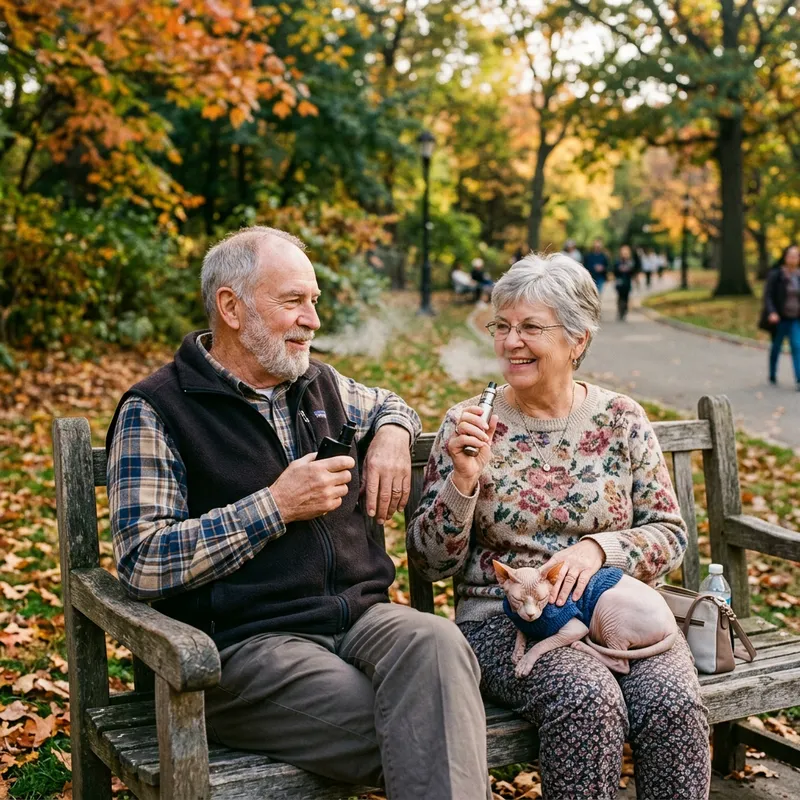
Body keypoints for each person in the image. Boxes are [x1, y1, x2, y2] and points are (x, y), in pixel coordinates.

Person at [106, 226, 491, 800]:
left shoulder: (319, 382)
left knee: (436, 645)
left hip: (361, 619)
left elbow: (391, 403)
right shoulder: (156, 410)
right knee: (430, 726)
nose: (313, 319)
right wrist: (275, 506)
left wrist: (390, 431)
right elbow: (143, 561)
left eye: (314, 301)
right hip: (245, 648)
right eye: (293, 302)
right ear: (231, 308)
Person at [407, 253, 710, 800]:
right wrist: (463, 481)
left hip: (620, 612)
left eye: (530, 327)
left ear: (577, 339)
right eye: (502, 326)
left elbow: (670, 532)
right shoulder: (468, 423)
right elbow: (430, 563)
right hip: (507, 621)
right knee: (586, 699)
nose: (510, 342)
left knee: (673, 702)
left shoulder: (621, 419)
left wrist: (597, 550)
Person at [762, 243, 800, 390]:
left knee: (797, 346)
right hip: (780, 318)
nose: (793, 258)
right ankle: (772, 374)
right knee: (776, 347)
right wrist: (772, 312)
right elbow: (768, 295)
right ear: (785, 257)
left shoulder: (798, 275)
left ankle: (798, 378)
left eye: (796, 255)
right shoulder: (776, 275)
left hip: (795, 318)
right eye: (790, 255)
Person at [612, 244, 638, 322]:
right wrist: (619, 270)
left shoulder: (630, 262)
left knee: (626, 297)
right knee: (620, 297)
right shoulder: (617, 261)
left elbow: (633, 271)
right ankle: (620, 311)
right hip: (619, 282)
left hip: (627, 282)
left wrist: (628, 270)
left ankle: (624, 311)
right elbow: (614, 270)